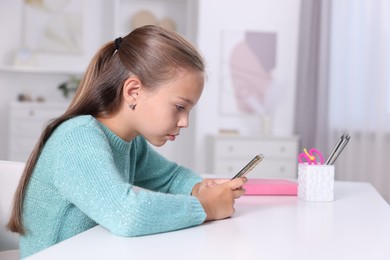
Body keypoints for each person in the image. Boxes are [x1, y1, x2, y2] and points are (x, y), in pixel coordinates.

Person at [7, 25, 247, 258]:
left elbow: (170, 177)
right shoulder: (77, 137)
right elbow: (126, 213)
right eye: (180, 107)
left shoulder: (130, 142)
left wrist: (201, 188)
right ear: (133, 91)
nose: (185, 122)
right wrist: (204, 208)